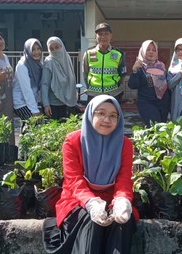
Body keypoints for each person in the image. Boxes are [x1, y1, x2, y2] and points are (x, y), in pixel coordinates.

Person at [42, 95, 137, 254]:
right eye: (101, 113)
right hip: (77, 199)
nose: (107, 119)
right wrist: (90, 202)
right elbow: (74, 180)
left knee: (122, 221)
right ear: (90, 114)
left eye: (113, 115)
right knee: (91, 221)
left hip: (111, 197)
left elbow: (124, 179)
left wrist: (122, 200)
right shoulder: (73, 141)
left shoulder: (125, 144)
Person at [127, 40, 171, 127]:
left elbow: (167, 85)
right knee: (154, 126)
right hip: (146, 102)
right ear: (143, 51)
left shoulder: (161, 66)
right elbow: (132, 85)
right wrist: (134, 70)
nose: (151, 52)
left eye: (154, 50)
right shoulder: (139, 66)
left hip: (163, 103)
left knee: (162, 129)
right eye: (148, 49)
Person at [83, 22, 126, 102]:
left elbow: (122, 74)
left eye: (106, 34)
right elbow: (85, 73)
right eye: (100, 34)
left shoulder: (118, 54)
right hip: (93, 94)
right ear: (96, 36)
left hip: (113, 94)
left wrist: (117, 89)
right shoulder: (89, 53)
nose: (103, 37)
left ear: (111, 36)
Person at [42, 36, 78, 120]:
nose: (55, 50)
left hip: (67, 103)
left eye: (57, 47)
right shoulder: (49, 62)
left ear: (62, 46)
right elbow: (44, 84)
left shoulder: (67, 58)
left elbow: (71, 80)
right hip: (53, 105)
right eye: (51, 48)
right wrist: (46, 104)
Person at [13, 38, 43, 131]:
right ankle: (25, 145)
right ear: (27, 50)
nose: (36, 52)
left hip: (30, 101)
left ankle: (24, 144)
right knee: (34, 125)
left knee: (29, 128)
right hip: (20, 102)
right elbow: (27, 90)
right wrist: (35, 110)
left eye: (38, 49)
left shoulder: (38, 64)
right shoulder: (22, 65)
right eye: (33, 49)